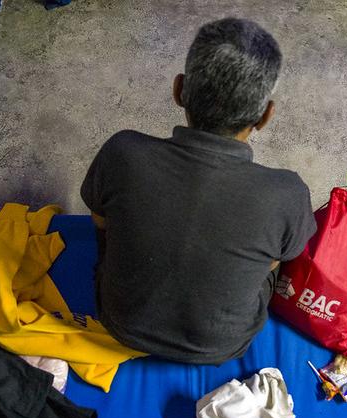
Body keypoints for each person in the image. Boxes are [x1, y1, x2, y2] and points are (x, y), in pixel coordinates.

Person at [80, 17, 316, 364]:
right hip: (219, 347)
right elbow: (276, 260)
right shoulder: (286, 193)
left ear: (178, 90)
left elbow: (100, 222)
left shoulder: (122, 152)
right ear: (266, 116)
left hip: (120, 323)